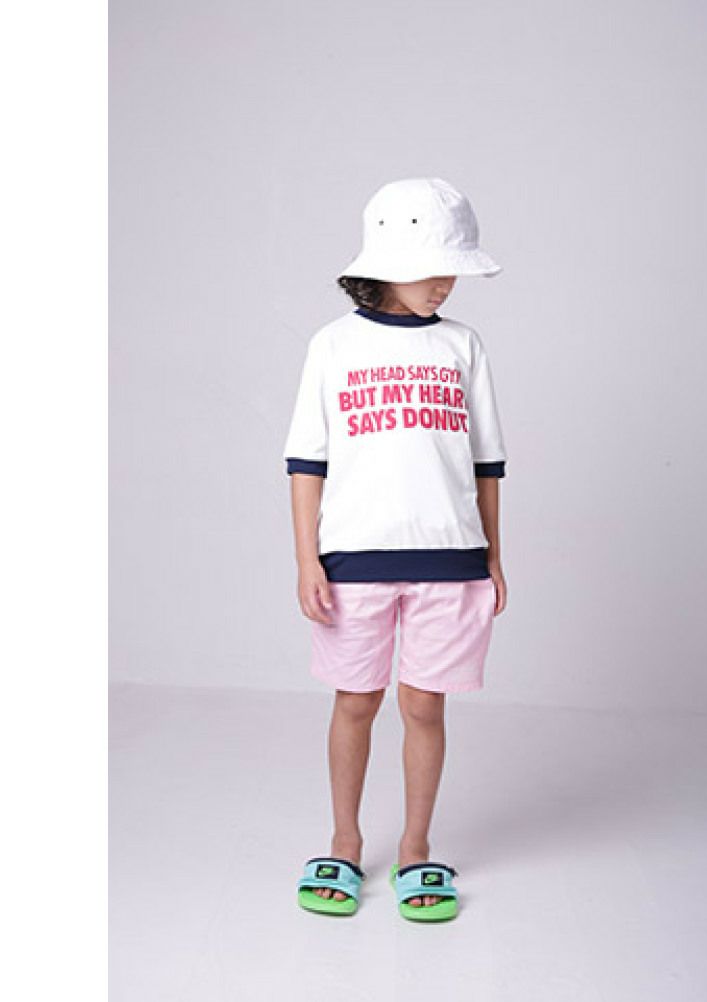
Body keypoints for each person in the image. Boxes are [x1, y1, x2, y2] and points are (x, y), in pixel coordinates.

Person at [284, 178, 508, 921]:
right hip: (355, 560)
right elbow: (307, 463)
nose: (445, 282)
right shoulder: (333, 345)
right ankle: (344, 843)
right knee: (356, 701)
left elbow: (486, 463)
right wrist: (307, 560)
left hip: (451, 559)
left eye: (453, 269)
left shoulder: (462, 345)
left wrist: (493, 556)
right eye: (431, 267)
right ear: (385, 264)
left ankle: (416, 847)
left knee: (424, 705)